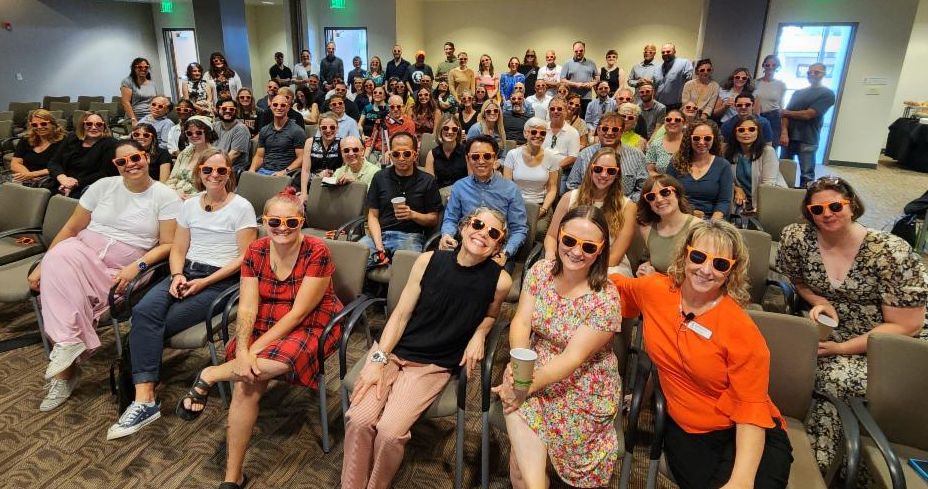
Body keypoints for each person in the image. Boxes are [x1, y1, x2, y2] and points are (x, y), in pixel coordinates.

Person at [175, 187, 344, 489]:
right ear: (264, 221)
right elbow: (249, 305)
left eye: (290, 222)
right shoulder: (255, 250)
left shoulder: (317, 251)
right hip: (267, 316)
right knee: (246, 385)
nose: (282, 228)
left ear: (301, 221)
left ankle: (211, 373)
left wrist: (252, 350)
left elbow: (298, 314)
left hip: (311, 321)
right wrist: (243, 349)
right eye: (274, 222)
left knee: (273, 364)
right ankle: (232, 477)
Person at [611, 219, 794, 489]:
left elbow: (751, 409)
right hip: (689, 431)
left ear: (731, 271)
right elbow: (616, 285)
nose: (706, 270)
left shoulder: (742, 331)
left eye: (720, 264)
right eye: (698, 257)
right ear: (685, 255)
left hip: (746, 433)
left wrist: (741, 480)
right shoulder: (656, 291)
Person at [342, 206, 511, 489]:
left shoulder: (500, 281)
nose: (482, 234)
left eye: (492, 233)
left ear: (498, 245)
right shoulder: (428, 261)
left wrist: (480, 333)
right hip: (393, 351)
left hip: (432, 365)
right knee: (358, 419)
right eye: (478, 225)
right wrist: (377, 361)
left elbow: (491, 315)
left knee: (389, 432)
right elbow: (400, 315)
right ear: (464, 226)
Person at [777, 176, 928, 474]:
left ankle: (819, 468)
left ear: (852, 205)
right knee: (786, 363)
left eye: (835, 206)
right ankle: (785, 450)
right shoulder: (798, 237)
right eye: (817, 210)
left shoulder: (889, 251)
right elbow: (797, 281)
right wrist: (819, 299)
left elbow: (906, 326)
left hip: (886, 342)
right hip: (832, 327)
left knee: (832, 381)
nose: (827, 214)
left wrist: (843, 348)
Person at [107, 149, 256, 439]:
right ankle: (145, 399)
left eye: (221, 171)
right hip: (185, 271)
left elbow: (244, 258)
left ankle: (143, 397)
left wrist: (204, 282)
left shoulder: (242, 207)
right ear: (199, 173)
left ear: (230, 174)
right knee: (143, 312)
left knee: (155, 325)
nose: (214, 175)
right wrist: (177, 275)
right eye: (208, 171)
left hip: (219, 281)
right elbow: (178, 248)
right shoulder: (188, 206)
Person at [32, 140, 180, 412]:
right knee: (59, 256)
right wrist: (43, 263)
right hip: (82, 253)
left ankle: (66, 363)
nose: (129, 165)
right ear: (115, 165)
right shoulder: (102, 187)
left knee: (62, 292)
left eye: (135, 158)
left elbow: (169, 244)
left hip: (122, 269)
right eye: (121, 162)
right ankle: (68, 345)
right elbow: (71, 228)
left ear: (146, 157)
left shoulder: (164, 196)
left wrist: (140, 265)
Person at [494, 205, 622, 488]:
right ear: (559, 236)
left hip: (582, 383)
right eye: (569, 241)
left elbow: (573, 358)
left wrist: (523, 385)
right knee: (519, 461)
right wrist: (519, 366)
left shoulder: (606, 298)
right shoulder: (540, 271)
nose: (577, 251)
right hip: (534, 362)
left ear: (600, 250)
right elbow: (521, 323)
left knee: (515, 407)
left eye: (588, 246)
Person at [441, 135, 529, 267]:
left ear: (494, 158)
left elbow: (519, 229)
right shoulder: (459, 187)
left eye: (487, 156)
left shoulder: (511, 189)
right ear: (468, 159)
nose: (481, 161)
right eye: (475, 157)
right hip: (464, 247)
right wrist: (447, 235)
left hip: (496, 251)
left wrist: (505, 252)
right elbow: (451, 219)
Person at [548, 147, 637, 275]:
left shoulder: (628, 207)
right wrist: (551, 254)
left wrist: (580, 268)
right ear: (591, 169)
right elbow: (551, 236)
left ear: (617, 174)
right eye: (598, 169)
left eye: (611, 171)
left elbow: (614, 257)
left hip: (607, 267)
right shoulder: (569, 198)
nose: (604, 175)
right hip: (570, 259)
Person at [360, 132, 442, 268]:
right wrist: (380, 248)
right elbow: (373, 216)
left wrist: (412, 215)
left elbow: (433, 218)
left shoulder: (428, 181)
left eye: (407, 154)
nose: (401, 158)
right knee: (353, 259)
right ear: (390, 155)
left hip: (410, 236)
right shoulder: (380, 178)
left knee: (408, 268)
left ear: (415, 155)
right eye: (396, 154)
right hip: (380, 235)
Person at [566, 112, 649, 202]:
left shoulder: (637, 156)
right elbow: (572, 184)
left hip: (623, 208)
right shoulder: (584, 155)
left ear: (621, 132)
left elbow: (643, 188)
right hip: (589, 206)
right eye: (605, 129)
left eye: (615, 129)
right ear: (598, 130)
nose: (609, 133)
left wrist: (626, 203)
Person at [780, 63, 836, 186]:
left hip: (808, 139)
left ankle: (804, 200)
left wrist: (787, 112)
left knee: (806, 174)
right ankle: (783, 195)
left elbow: (808, 114)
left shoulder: (828, 94)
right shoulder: (798, 93)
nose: (812, 74)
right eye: (809, 72)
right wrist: (784, 132)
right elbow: (784, 115)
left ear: (824, 74)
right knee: (784, 170)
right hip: (788, 138)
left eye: (816, 72)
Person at [503, 117, 559, 237]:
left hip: (540, 205)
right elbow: (507, 186)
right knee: (507, 228)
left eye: (542, 133)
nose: (538, 135)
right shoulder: (512, 155)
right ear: (525, 133)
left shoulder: (552, 158)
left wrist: (543, 210)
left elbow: (552, 189)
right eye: (534, 132)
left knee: (537, 231)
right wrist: (514, 207)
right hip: (516, 204)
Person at [667, 121, 732, 220]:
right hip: (680, 217)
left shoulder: (723, 165)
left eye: (707, 138)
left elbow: (723, 201)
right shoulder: (676, 163)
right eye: (696, 138)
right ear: (689, 139)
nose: (701, 142)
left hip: (712, 220)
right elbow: (668, 195)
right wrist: (689, 213)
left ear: (714, 140)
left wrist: (711, 225)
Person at [635, 174, 697, 275]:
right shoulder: (647, 229)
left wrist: (656, 277)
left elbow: (700, 276)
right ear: (649, 204)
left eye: (665, 192)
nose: (659, 199)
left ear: (677, 194)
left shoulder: (697, 228)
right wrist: (645, 267)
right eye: (651, 197)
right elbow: (658, 261)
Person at [48, 111, 118, 198]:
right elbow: (54, 162)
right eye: (89, 124)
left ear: (104, 126)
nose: (94, 127)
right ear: (82, 125)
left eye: (99, 124)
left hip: (88, 187)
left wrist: (76, 183)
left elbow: (105, 173)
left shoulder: (111, 144)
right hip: (61, 183)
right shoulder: (72, 138)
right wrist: (62, 178)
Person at [725, 115, 786, 213]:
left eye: (751, 129)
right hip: (745, 203)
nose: (746, 133)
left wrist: (758, 210)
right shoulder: (730, 153)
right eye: (741, 130)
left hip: (770, 201)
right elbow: (726, 178)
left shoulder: (767, 151)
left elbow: (768, 186)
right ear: (735, 133)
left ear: (758, 132)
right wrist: (736, 188)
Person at [250, 95, 306, 176]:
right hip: (264, 171)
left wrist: (284, 172)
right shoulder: (264, 130)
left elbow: (301, 158)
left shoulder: (297, 131)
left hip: (285, 173)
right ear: (271, 107)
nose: (279, 108)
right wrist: (252, 170)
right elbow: (259, 156)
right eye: (275, 105)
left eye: (283, 105)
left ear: (288, 108)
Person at [10, 109, 65, 188]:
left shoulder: (63, 141)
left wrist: (32, 175)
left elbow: (61, 167)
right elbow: (15, 163)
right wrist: (28, 176)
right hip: (26, 177)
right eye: (35, 125)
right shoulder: (26, 139)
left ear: (53, 124)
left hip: (49, 179)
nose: (39, 127)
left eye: (43, 124)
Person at [167, 115, 218, 198]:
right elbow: (172, 179)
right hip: (176, 197)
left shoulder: (215, 156)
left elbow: (215, 187)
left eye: (198, 132)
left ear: (207, 133)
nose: (194, 136)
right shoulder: (184, 153)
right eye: (189, 133)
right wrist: (174, 193)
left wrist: (191, 197)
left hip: (200, 200)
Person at [542, 96, 581, 192]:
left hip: (562, 172)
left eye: (559, 109)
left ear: (566, 111)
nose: (555, 111)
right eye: (552, 109)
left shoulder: (573, 132)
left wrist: (553, 168)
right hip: (540, 168)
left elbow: (573, 157)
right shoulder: (541, 128)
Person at [365, 95, 416, 165]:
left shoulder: (409, 123)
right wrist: (367, 150)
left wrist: (390, 151)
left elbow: (407, 145)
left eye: (398, 106)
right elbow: (372, 138)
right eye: (392, 107)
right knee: (366, 162)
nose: (395, 109)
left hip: (394, 153)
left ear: (403, 107)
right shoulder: (381, 120)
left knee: (383, 165)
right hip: (375, 151)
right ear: (388, 107)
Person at [299, 113, 342, 195]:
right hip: (311, 184)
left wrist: (331, 173)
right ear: (319, 129)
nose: (328, 130)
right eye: (324, 128)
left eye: (332, 127)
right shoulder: (310, 142)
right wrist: (303, 193)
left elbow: (345, 169)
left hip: (334, 187)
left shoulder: (342, 143)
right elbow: (305, 171)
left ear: (337, 128)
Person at [424, 115, 469, 189]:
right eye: (446, 128)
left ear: (458, 132)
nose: (450, 132)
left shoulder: (466, 152)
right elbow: (429, 185)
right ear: (440, 130)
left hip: (462, 193)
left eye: (454, 129)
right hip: (440, 194)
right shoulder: (431, 154)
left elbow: (472, 180)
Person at [754, 55, 787, 149]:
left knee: (771, 148)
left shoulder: (781, 85)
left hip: (773, 118)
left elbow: (781, 107)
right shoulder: (755, 83)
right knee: (755, 147)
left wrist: (784, 130)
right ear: (763, 66)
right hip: (757, 117)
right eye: (767, 65)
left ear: (777, 67)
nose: (770, 67)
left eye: (774, 65)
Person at [213, 99, 252, 173]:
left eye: (231, 109)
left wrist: (213, 167)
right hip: (216, 164)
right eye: (224, 108)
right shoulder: (215, 125)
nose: (227, 111)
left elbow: (234, 154)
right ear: (218, 110)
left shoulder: (241, 128)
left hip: (232, 168)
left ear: (236, 111)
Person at [560, 41, 598, 117]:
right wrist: (575, 84)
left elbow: (597, 79)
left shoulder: (591, 63)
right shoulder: (568, 63)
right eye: (576, 51)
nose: (578, 53)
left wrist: (591, 83)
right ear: (573, 50)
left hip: (587, 97)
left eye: (581, 51)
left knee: (585, 119)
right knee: (571, 117)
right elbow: (562, 80)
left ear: (584, 50)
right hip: (572, 98)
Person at [655, 43, 694, 110]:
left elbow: (690, 82)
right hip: (659, 106)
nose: (665, 53)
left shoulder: (684, 63)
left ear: (674, 51)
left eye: (668, 51)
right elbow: (655, 86)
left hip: (676, 106)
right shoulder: (658, 68)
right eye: (663, 52)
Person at [120, 57, 157, 126]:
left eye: (146, 67)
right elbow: (125, 102)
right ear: (134, 68)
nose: (143, 69)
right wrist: (133, 119)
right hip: (136, 117)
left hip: (151, 116)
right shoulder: (127, 82)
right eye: (140, 67)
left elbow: (155, 101)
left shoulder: (152, 83)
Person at [646, 109, 685, 174]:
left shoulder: (690, 142)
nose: (672, 122)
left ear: (684, 123)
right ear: (664, 122)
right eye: (668, 119)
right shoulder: (655, 144)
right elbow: (650, 170)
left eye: (677, 120)